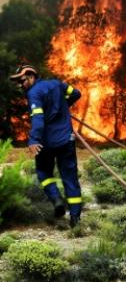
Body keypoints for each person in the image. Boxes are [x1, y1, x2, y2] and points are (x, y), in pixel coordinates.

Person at [9, 64, 83, 227]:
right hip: (66, 140)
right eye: (18, 83)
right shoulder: (57, 84)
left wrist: (33, 140)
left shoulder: (33, 93)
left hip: (47, 143)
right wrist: (64, 106)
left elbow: (38, 120)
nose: (21, 85)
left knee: (43, 172)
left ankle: (56, 200)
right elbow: (76, 94)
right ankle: (75, 219)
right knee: (70, 178)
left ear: (31, 76)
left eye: (22, 81)